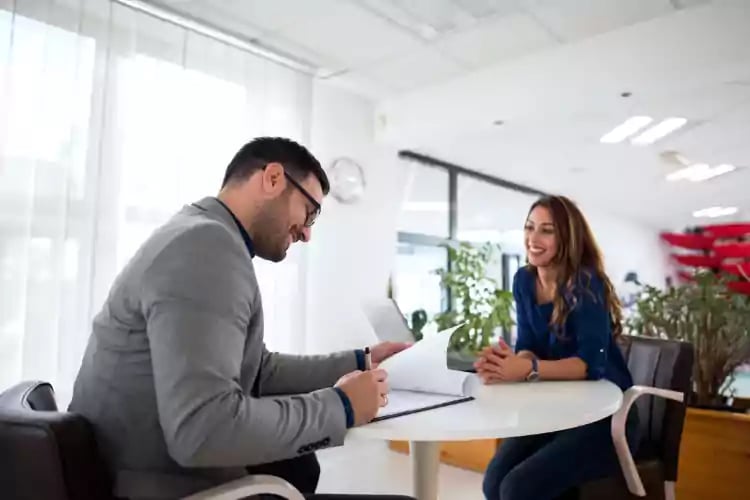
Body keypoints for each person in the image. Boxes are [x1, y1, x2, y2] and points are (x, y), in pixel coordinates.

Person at [69, 137, 414, 500]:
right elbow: (203, 430)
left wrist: (363, 361)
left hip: (135, 468)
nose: (308, 233)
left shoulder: (198, 232)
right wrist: (341, 406)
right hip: (157, 485)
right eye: (310, 212)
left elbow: (257, 370)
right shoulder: (206, 247)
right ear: (273, 179)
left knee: (300, 466)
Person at [474, 195, 640, 500]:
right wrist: (507, 363)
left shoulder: (587, 283)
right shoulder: (524, 280)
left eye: (546, 230)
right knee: (493, 482)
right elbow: (527, 346)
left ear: (567, 238)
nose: (533, 239)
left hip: (606, 418)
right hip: (558, 411)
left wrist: (527, 368)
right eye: (529, 227)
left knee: (518, 488)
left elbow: (591, 365)